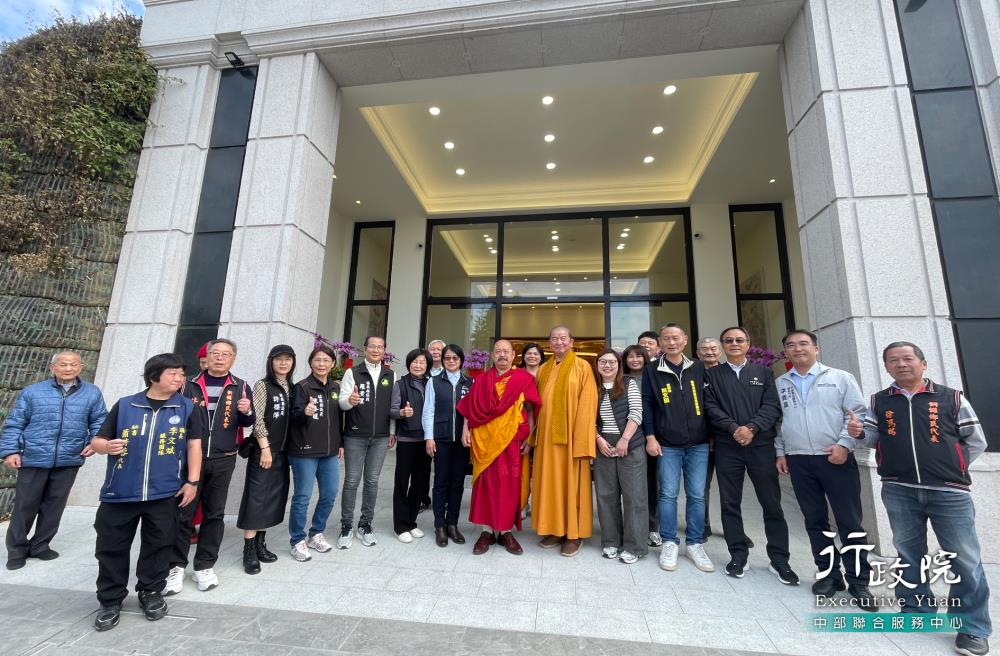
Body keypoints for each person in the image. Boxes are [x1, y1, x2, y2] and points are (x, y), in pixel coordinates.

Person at [849, 342, 992, 656]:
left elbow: (975, 441)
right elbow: (874, 438)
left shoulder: (951, 398)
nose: (901, 364)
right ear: (886, 367)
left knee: (964, 559)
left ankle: (972, 627)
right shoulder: (880, 401)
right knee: (908, 554)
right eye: (893, 360)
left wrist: (952, 467)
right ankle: (917, 610)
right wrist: (859, 432)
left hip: (949, 491)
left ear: (923, 363)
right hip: (899, 488)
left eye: (907, 358)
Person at [89, 353, 202, 631]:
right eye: (173, 373)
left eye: (181, 374)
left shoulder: (187, 407)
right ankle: (110, 600)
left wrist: (192, 482)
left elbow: (194, 446)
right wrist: (106, 447)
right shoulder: (126, 405)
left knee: (159, 545)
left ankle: (150, 592)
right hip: (120, 492)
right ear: (153, 377)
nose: (179, 378)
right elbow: (98, 440)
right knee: (111, 547)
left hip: (164, 492)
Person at [774, 330, 873, 606]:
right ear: (786, 352)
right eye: (791, 345)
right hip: (799, 459)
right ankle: (829, 574)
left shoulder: (840, 378)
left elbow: (856, 415)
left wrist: (844, 444)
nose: (797, 349)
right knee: (815, 519)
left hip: (835, 457)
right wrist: (781, 452)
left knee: (849, 521)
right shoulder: (781, 383)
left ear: (816, 349)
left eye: (803, 344)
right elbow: (779, 422)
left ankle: (859, 581)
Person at [704, 326, 795, 583]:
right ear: (723, 345)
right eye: (728, 340)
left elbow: (772, 406)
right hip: (728, 446)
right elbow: (710, 407)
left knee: (771, 503)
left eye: (739, 340)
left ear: (747, 344)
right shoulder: (712, 375)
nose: (734, 343)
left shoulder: (763, 373)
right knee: (729, 503)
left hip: (761, 446)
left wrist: (752, 428)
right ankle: (738, 555)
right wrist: (734, 428)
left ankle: (780, 560)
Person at [1, 351, 107, 570]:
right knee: (25, 506)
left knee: (54, 505)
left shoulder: (92, 393)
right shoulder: (33, 392)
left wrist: (94, 442)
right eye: (63, 364)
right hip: (33, 458)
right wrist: (10, 451)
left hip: (69, 458)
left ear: (80, 367)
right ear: (52, 367)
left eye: (73, 364)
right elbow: (15, 423)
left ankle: (40, 545)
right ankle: (17, 550)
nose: (68, 368)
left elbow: (99, 420)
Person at [167, 338, 254, 594]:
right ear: (207, 357)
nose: (220, 358)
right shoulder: (188, 385)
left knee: (214, 514)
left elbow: (247, 422)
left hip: (223, 458)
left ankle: (204, 565)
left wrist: (247, 411)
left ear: (232, 359)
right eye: (215, 353)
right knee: (183, 513)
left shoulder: (241, 386)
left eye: (226, 354)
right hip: (188, 459)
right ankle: (176, 566)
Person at [458, 339, 541, 556]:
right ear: (492, 355)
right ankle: (486, 531)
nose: (502, 355)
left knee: (509, 484)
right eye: (498, 351)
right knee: (485, 484)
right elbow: (469, 408)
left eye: (506, 351)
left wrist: (530, 437)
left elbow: (530, 409)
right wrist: (465, 429)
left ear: (513, 355)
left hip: (511, 440)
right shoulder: (481, 380)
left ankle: (505, 531)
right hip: (484, 440)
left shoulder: (524, 379)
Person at [642, 324, 713, 573]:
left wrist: (712, 434)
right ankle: (669, 542)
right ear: (660, 343)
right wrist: (650, 437)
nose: (671, 342)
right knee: (668, 494)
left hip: (699, 443)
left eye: (676, 338)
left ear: (684, 340)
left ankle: (695, 543)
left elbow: (709, 402)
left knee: (697, 494)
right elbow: (647, 404)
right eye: (666, 339)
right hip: (667, 444)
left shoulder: (698, 367)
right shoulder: (652, 369)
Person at [530, 325, 598, 557]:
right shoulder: (543, 369)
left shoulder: (582, 366)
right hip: (547, 440)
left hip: (570, 440)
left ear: (571, 342)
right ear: (549, 343)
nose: (558, 342)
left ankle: (574, 534)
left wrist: (582, 439)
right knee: (550, 483)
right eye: (554, 338)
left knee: (572, 485)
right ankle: (556, 529)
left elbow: (588, 403)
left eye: (563, 338)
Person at [237, 345, 295, 574]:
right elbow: (257, 419)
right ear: (271, 362)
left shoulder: (292, 387)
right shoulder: (263, 385)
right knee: (256, 498)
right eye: (278, 359)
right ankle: (249, 550)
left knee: (272, 499)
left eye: (288, 359)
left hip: (283, 452)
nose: (283, 363)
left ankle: (261, 544)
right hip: (265, 451)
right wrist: (265, 448)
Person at [337, 335, 396, 549]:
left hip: (380, 437)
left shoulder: (390, 374)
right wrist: (349, 401)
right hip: (355, 435)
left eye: (380, 347)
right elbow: (341, 403)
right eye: (372, 346)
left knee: (372, 480)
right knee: (352, 480)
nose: (376, 350)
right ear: (365, 349)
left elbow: (392, 406)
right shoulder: (352, 372)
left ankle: (365, 524)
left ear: (384, 350)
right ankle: (346, 526)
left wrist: (391, 431)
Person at [287, 345, 344, 561]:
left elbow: (338, 419)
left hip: (329, 451)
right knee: (302, 496)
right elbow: (293, 417)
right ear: (311, 363)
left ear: (333, 364)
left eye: (326, 360)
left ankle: (316, 533)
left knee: (330, 493)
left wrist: (340, 443)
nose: (322, 364)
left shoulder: (335, 388)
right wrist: (305, 412)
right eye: (318, 360)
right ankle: (297, 540)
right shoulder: (302, 387)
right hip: (304, 451)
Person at [592, 349, 646, 564]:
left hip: (630, 444)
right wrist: (598, 439)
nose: (607, 365)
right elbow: (586, 418)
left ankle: (635, 546)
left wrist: (624, 440)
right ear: (597, 365)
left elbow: (636, 413)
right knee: (606, 495)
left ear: (619, 364)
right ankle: (611, 541)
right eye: (603, 362)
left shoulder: (629, 383)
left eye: (612, 362)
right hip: (603, 444)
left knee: (634, 496)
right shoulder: (592, 386)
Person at [423, 344, 473, 547]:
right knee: (441, 482)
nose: (451, 361)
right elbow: (428, 411)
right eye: (447, 358)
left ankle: (452, 524)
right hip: (441, 439)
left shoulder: (470, 382)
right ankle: (440, 526)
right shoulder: (434, 382)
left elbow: (473, 411)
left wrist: (469, 432)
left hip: (462, 441)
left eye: (455, 358)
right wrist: (429, 437)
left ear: (461, 360)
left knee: (458, 483)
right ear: (442, 360)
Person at [389, 348, 431, 543]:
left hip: (426, 440)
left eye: (422, 362)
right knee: (402, 483)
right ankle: (400, 526)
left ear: (427, 365)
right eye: (415, 362)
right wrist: (402, 413)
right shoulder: (400, 384)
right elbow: (391, 410)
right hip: (407, 440)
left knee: (419, 483)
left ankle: (411, 522)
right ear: (409, 364)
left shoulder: (430, 383)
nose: (418, 365)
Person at [622, 343, 658, 547]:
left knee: (652, 484)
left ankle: (653, 527)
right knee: (632, 487)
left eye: (639, 356)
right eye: (630, 357)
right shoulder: (621, 379)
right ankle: (632, 528)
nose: (634, 360)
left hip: (652, 436)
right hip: (630, 437)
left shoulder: (654, 377)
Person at [696, 336, 723, 539]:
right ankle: (702, 524)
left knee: (730, 487)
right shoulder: (693, 374)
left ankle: (733, 529)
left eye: (713, 348)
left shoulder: (729, 373)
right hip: (701, 440)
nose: (709, 352)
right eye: (704, 349)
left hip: (727, 438)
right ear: (698, 353)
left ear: (720, 352)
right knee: (701, 486)